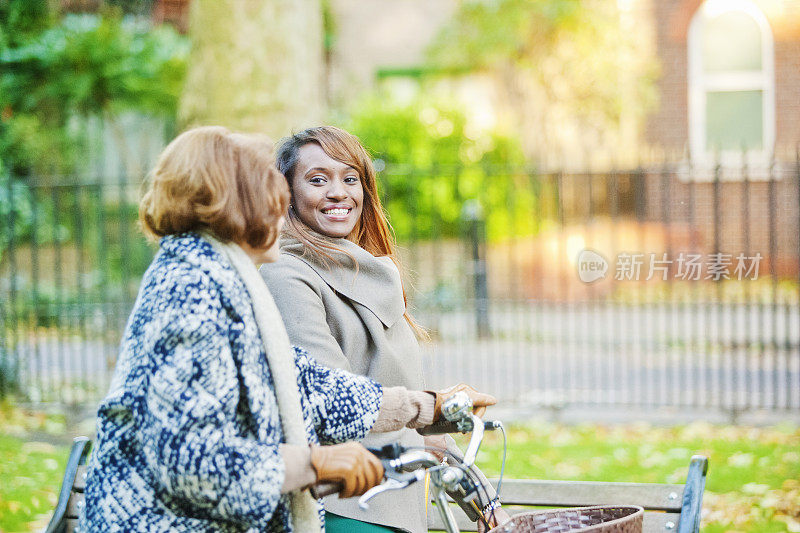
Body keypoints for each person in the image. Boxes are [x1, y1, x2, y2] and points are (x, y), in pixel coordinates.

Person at [77, 126, 496, 533]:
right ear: (237, 205)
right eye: (275, 196)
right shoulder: (192, 286)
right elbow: (193, 463)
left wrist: (430, 406)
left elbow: (310, 387)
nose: (285, 213)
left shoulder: (223, 280)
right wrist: (313, 464)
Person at [260, 126, 508, 533]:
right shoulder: (287, 276)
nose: (338, 192)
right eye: (318, 179)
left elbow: (405, 421)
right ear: (287, 195)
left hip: (399, 500)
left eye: (350, 178)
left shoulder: (373, 270)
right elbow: (333, 402)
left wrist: (486, 502)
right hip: (345, 507)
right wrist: (433, 408)